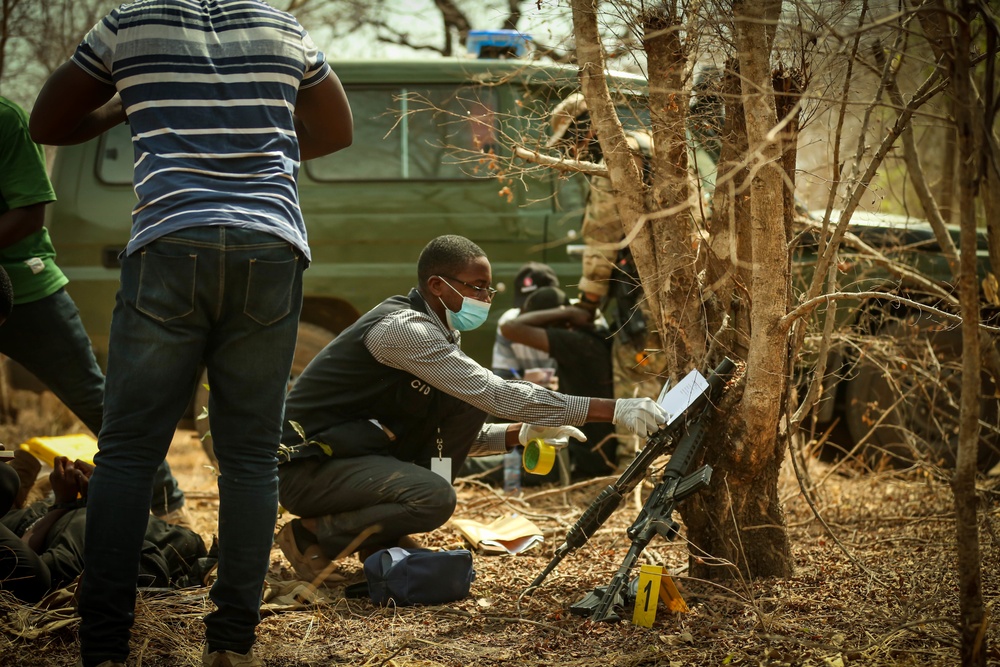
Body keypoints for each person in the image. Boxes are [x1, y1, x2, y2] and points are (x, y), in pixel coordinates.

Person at [30, 1, 353, 665]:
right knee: (251, 455)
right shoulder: (282, 28)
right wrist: (266, 136)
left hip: (169, 245)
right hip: (270, 245)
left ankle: (105, 645)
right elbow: (336, 129)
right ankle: (231, 644)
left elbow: (49, 122)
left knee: (127, 452)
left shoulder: (129, 25)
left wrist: (124, 105)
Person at [274, 235, 667, 583]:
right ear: (436, 285)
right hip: (308, 468)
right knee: (433, 496)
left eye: (488, 291)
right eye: (475, 287)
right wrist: (615, 410)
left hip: (353, 456)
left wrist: (520, 434)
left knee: (464, 407)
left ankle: (380, 541)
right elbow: (496, 394)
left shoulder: (442, 333)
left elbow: (447, 430)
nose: (484, 299)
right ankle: (311, 533)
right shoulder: (403, 331)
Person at [0, 95, 187, 524]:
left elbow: (29, 214)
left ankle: (167, 505)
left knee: (95, 397)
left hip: (28, 289)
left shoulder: (5, 119)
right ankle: (11, 480)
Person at [546, 93, 667, 455]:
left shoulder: (618, 157)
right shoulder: (654, 144)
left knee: (639, 368)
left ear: (587, 129)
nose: (572, 152)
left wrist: (588, 301)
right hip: (681, 287)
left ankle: (639, 462)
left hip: (644, 299)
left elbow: (601, 238)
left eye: (572, 141)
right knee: (664, 363)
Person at [0, 457, 208, 605]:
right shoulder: (187, 545)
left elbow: (22, 563)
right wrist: (102, 495)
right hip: (47, 509)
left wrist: (64, 504)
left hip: (29, 518)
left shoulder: (67, 563)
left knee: (11, 474)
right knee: (13, 474)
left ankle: (29, 482)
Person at [500, 286, 617, 478]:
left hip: (581, 458)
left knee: (489, 466)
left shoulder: (575, 343)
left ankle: (440, 467)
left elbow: (510, 328)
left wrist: (568, 312)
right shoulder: (592, 338)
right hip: (588, 453)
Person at [491, 262, 560, 381]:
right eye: (525, 306)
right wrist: (524, 383)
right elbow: (502, 377)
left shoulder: (577, 320)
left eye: (537, 307)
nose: (531, 314)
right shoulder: (509, 323)